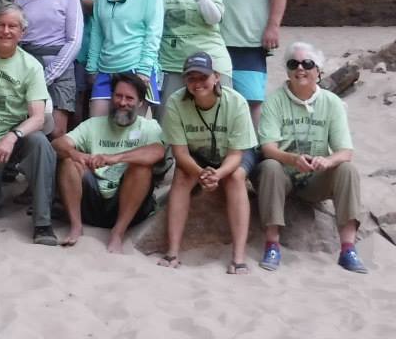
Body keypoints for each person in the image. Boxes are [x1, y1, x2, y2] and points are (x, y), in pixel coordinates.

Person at [255, 42, 367, 273]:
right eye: (293, 63)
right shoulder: (275, 101)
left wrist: (328, 161)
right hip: (283, 176)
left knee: (347, 169)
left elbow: (345, 151)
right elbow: (267, 147)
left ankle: (348, 249)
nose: (300, 69)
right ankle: (272, 244)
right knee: (269, 166)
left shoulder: (331, 102)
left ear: (319, 70)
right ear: (287, 70)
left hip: (316, 178)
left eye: (307, 64)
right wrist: (291, 159)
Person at [0, 5, 57, 245]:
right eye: (1, 25)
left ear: (22, 32)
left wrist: (12, 136)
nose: (6, 31)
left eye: (12, 26)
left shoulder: (31, 66)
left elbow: (38, 117)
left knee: (40, 143)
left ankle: (43, 223)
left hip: (12, 137)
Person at [158, 52, 257, 274]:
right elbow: (180, 153)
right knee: (182, 176)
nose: (197, 83)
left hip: (234, 154)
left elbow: (236, 154)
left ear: (216, 77)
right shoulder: (176, 102)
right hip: (197, 155)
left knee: (236, 178)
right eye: (191, 78)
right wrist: (202, 173)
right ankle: (172, 252)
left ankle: (238, 257)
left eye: (202, 77)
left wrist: (218, 174)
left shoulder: (236, 102)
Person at [53, 73, 165, 252]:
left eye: (129, 98)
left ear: (140, 103)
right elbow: (58, 144)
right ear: (111, 97)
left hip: (129, 204)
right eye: (118, 96)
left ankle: (118, 233)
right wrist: (78, 155)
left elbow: (157, 152)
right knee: (68, 162)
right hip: (92, 201)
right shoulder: (93, 124)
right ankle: (76, 226)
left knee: (141, 169)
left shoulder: (149, 127)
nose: (122, 102)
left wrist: (115, 158)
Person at [86, 0, 163, 116]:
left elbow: (154, 30)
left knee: (130, 133)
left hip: (135, 68)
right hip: (105, 68)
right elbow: (97, 30)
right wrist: (92, 67)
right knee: (96, 125)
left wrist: (144, 70)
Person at [15, 0, 84, 134]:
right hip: (27, 69)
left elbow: (74, 41)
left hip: (59, 71)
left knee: (56, 131)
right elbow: (15, 38)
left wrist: (49, 75)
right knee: (26, 127)